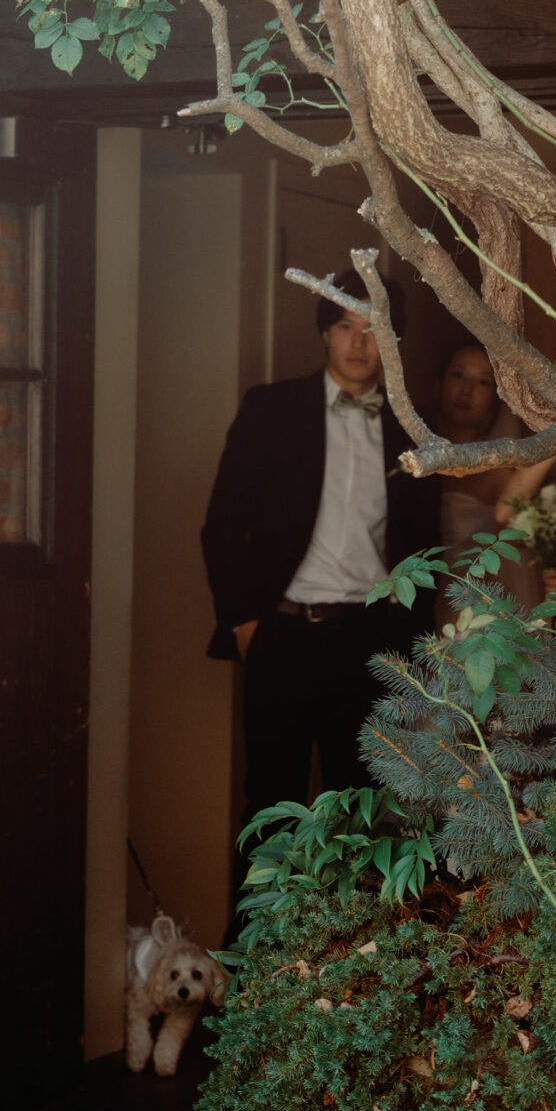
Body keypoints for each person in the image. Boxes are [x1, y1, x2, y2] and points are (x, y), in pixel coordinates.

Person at [200, 293, 442, 920]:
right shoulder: (271, 408)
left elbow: (424, 545)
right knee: (271, 806)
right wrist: (246, 625)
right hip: (281, 634)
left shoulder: (412, 426)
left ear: (393, 343)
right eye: (346, 327)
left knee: (358, 808)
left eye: (376, 330)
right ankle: (252, 979)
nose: (360, 344)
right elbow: (223, 525)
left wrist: (407, 648)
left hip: (367, 640)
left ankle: (341, 977)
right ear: (323, 335)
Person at [431, 342, 556, 609]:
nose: (466, 391)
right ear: (438, 383)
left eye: (483, 382)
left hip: (471, 604)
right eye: (458, 375)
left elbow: (514, 525)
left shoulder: (498, 470)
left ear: (495, 397)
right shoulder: (407, 455)